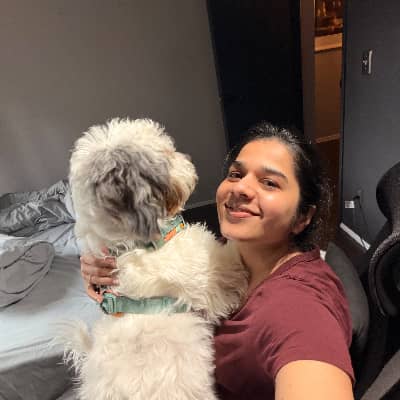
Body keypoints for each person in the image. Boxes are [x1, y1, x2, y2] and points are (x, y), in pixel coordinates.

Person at [80, 122, 354, 399]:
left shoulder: (299, 309)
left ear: (303, 217)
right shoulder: (225, 252)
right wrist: (110, 272)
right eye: (236, 174)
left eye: (269, 182)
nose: (241, 187)